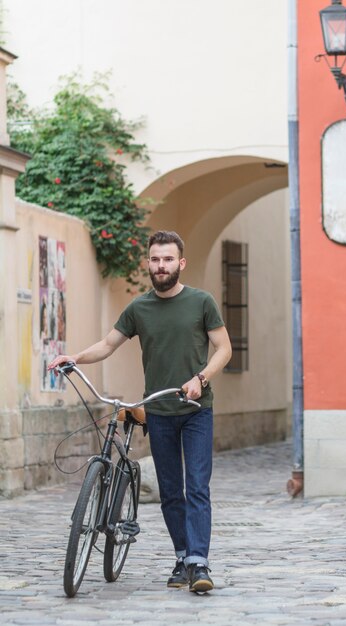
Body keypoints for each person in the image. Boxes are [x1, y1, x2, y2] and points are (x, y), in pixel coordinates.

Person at [49, 230, 232, 594]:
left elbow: (224, 348)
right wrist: (74, 357)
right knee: (170, 491)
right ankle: (182, 556)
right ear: (148, 263)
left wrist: (202, 377)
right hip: (158, 411)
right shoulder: (139, 308)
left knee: (196, 487)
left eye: (168, 259)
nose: (161, 265)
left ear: (180, 263)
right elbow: (107, 344)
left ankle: (199, 563)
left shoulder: (201, 302)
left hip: (196, 409)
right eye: (155, 259)